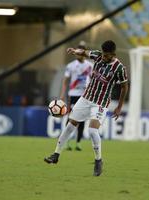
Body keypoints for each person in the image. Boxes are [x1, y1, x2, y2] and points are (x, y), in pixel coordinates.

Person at [44, 40, 128, 176]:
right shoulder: (98, 55)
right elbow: (84, 52)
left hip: (100, 103)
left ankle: (98, 160)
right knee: (70, 126)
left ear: (113, 54)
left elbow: (125, 87)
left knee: (92, 131)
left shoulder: (119, 68)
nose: (104, 57)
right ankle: (56, 154)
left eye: (107, 55)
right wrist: (74, 51)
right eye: (103, 54)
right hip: (86, 98)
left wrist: (119, 106)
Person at [60, 41, 93, 151]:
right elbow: (65, 80)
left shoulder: (90, 66)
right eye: (78, 50)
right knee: (71, 117)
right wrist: (62, 94)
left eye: (81, 50)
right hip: (72, 94)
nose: (79, 53)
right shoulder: (71, 66)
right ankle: (66, 142)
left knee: (82, 119)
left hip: (84, 95)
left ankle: (78, 142)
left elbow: (93, 79)